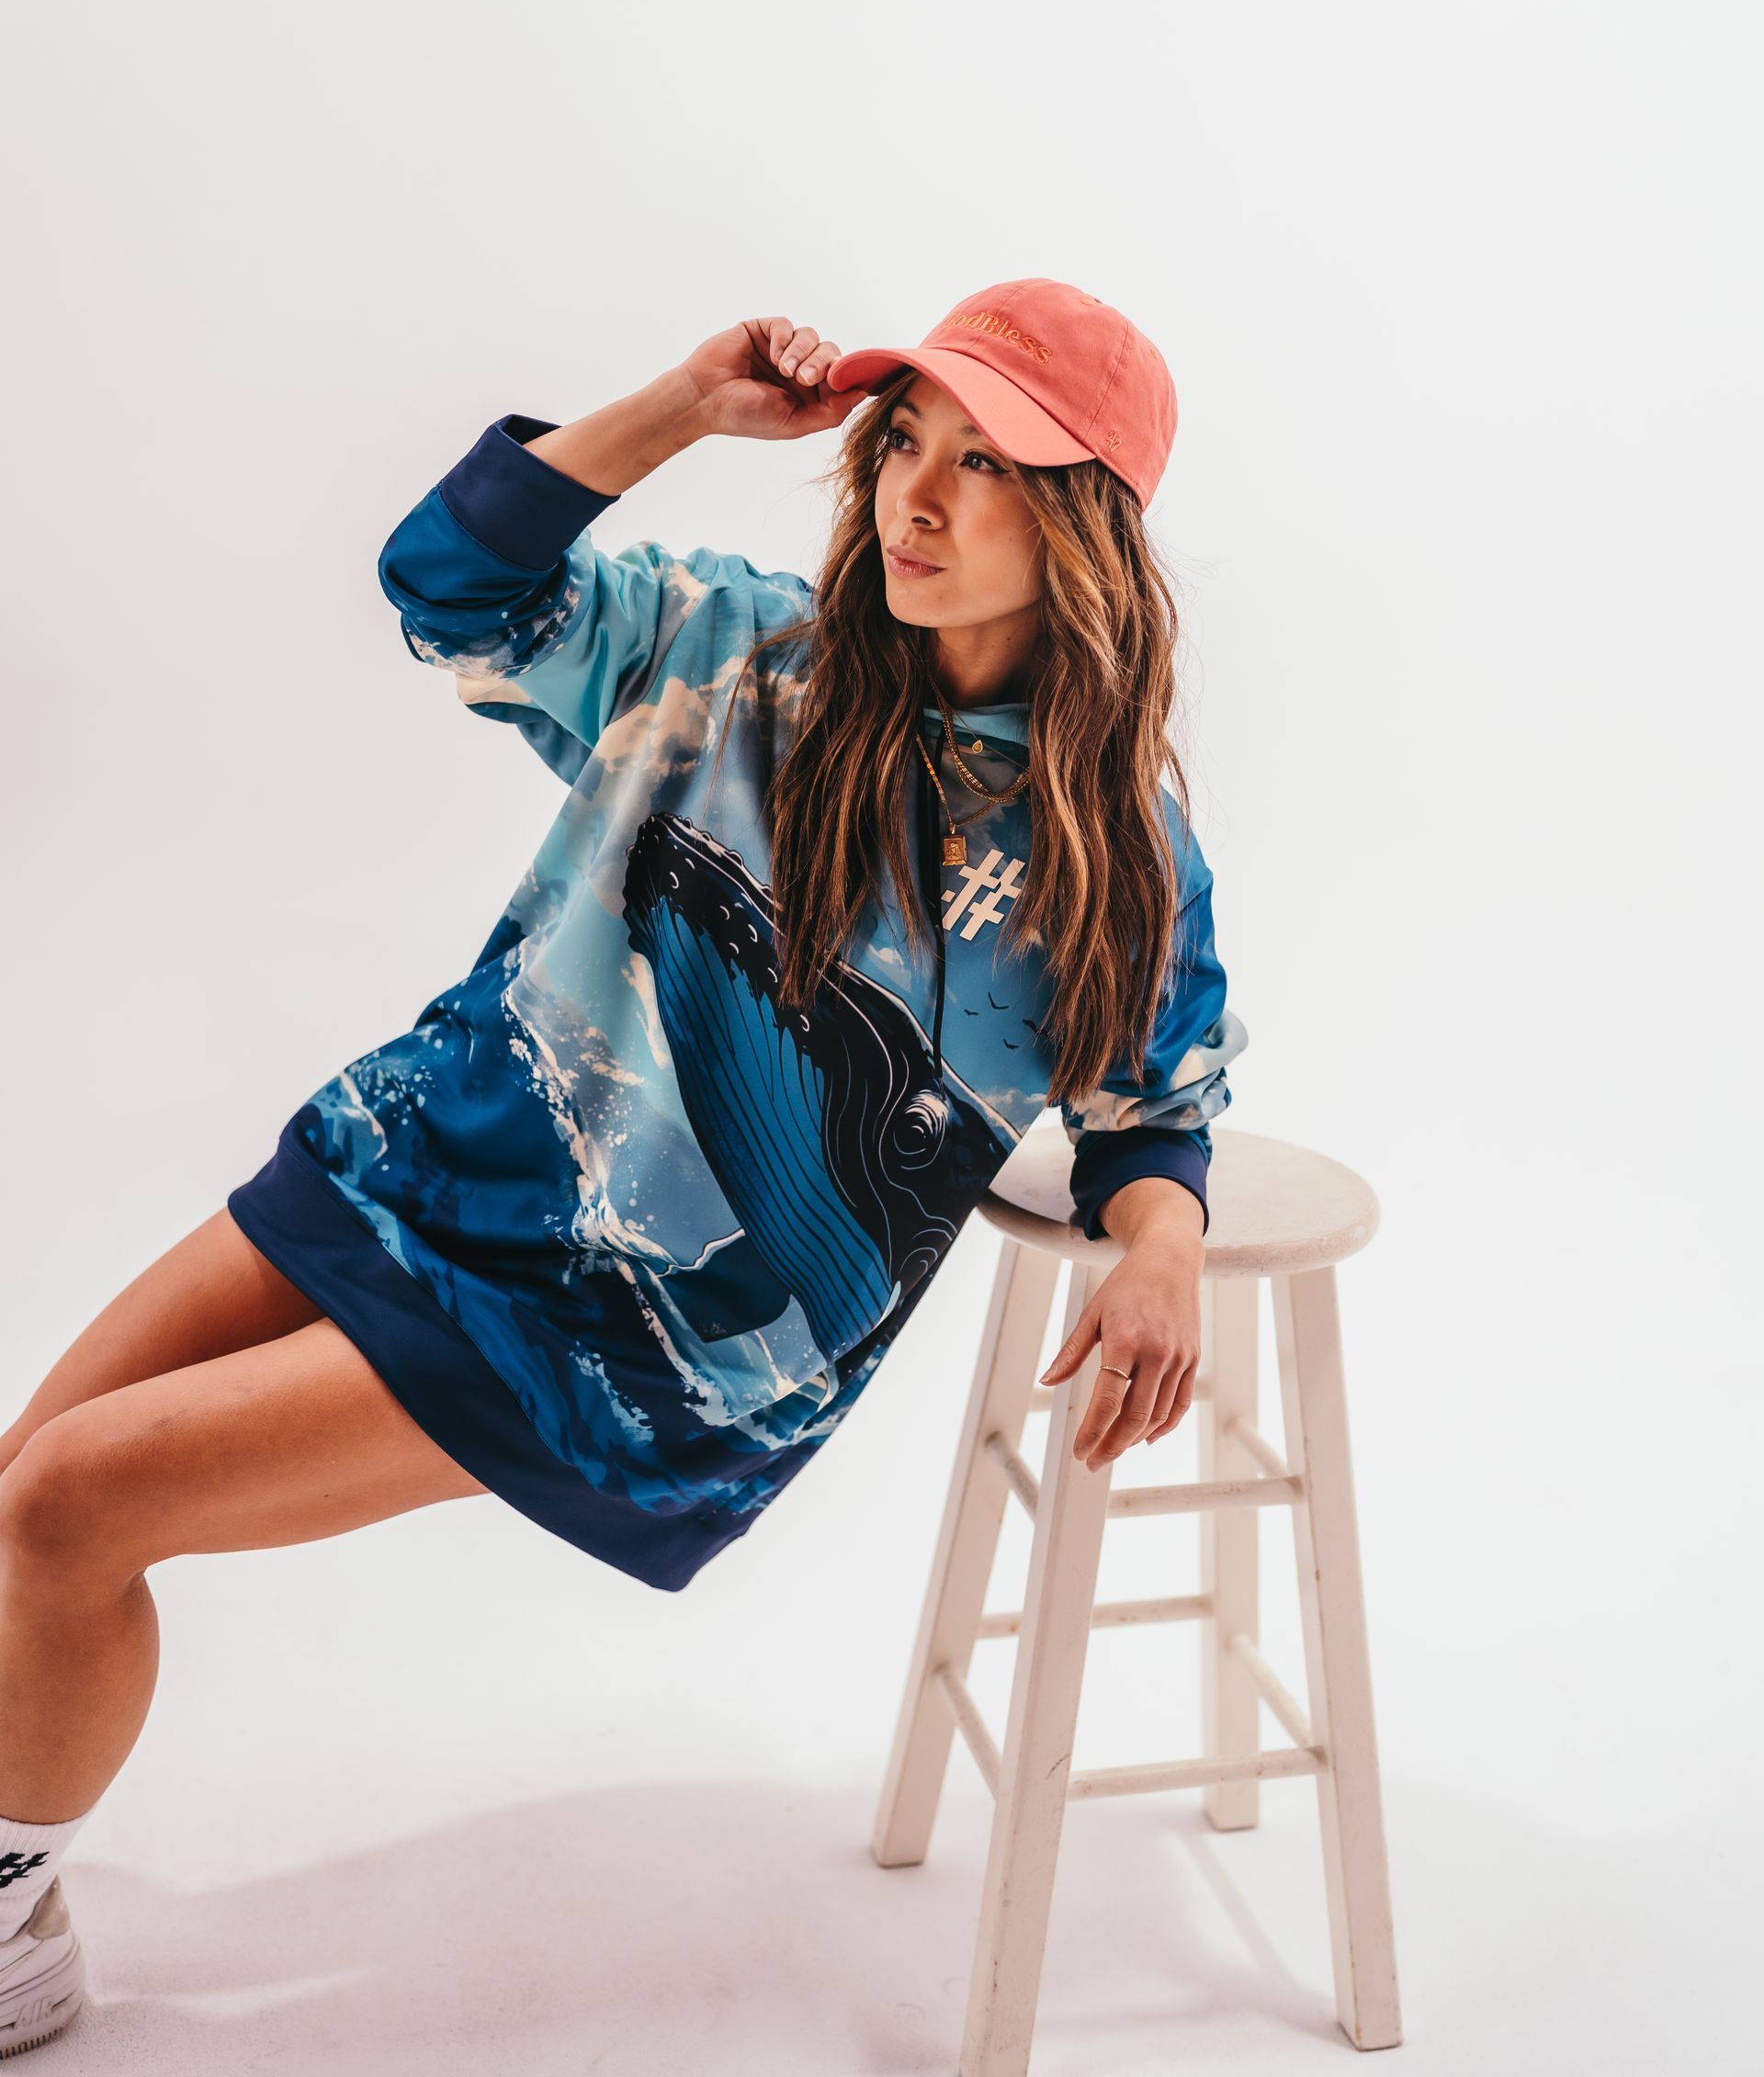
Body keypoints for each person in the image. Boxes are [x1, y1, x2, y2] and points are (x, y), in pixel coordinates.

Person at [0, 276, 1246, 2050]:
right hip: (422, 1151)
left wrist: (1165, 1244)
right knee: (24, 1480)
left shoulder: (1108, 854)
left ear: (1089, 531)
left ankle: (5, 1930)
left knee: (68, 1509)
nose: (919, 494)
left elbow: (1154, 1102)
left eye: (989, 467)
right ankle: (15, 1854)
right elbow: (448, 587)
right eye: (910, 440)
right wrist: (680, 407)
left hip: (625, 1333)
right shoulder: (734, 649)